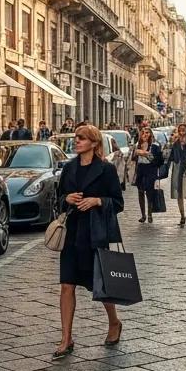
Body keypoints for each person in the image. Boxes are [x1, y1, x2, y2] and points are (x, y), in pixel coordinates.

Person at [53, 123, 125, 359]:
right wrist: (68, 199)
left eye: (82, 138)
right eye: (76, 137)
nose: (77, 141)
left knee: (101, 286)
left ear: (94, 143)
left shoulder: (105, 170)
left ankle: (114, 322)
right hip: (72, 233)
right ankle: (66, 338)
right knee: (66, 285)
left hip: (94, 234)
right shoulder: (69, 167)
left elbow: (118, 202)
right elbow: (59, 199)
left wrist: (97, 201)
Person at [167, 124, 186, 226]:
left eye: (183, 130)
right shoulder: (176, 143)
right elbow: (171, 156)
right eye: (180, 130)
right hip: (177, 168)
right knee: (178, 193)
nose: (181, 132)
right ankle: (182, 216)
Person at [132, 124, 163, 223]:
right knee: (140, 192)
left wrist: (146, 154)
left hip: (150, 169)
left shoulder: (155, 146)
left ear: (150, 135)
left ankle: (150, 214)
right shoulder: (137, 146)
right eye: (143, 133)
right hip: (140, 169)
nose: (145, 135)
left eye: (147, 133)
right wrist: (135, 153)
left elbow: (159, 161)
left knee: (149, 192)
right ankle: (143, 215)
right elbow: (132, 159)